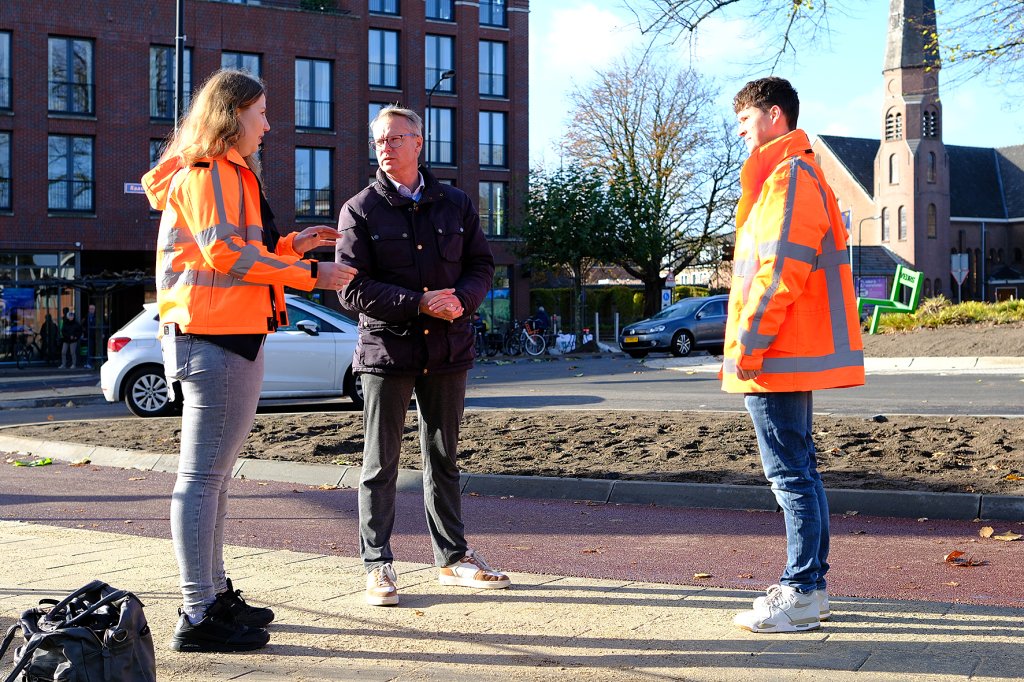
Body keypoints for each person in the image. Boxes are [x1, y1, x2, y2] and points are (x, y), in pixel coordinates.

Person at [142, 68, 356, 653]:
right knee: (203, 477)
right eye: (261, 113)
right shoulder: (209, 171)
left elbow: (238, 253)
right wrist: (313, 275)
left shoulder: (224, 171)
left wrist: (292, 246)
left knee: (211, 477)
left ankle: (210, 595)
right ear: (232, 115)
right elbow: (224, 255)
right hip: (214, 335)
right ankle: (198, 610)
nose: (269, 124)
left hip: (226, 332)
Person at [335, 105, 509, 607]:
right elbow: (351, 288)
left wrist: (463, 300)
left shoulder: (455, 202)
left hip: (448, 350)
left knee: (443, 457)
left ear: (419, 142)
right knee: (379, 462)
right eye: (379, 142)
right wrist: (418, 302)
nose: (386, 149)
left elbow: (481, 264)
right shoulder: (360, 210)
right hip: (386, 352)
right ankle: (378, 565)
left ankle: (453, 559)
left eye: (395, 139)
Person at [722, 77, 864, 633]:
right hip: (787, 348)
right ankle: (812, 587)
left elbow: (780, 269)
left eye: (744, 120)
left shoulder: (788, 176)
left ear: (774, 115)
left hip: (775, 353)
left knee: (789, 475)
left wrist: (750, 344)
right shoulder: (792, 175)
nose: (739, 132)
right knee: (799, 470)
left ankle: (802, 589)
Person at [84, 303, 97, 369]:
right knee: (89, 349)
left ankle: (97, 362)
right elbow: (84, 325)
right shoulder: (87, 316)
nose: (91, 310)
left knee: (97, 349)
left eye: (93, 309)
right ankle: (89, 363)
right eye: (90, 309)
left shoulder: (97, 316)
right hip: (89, 335)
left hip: (97, 335)